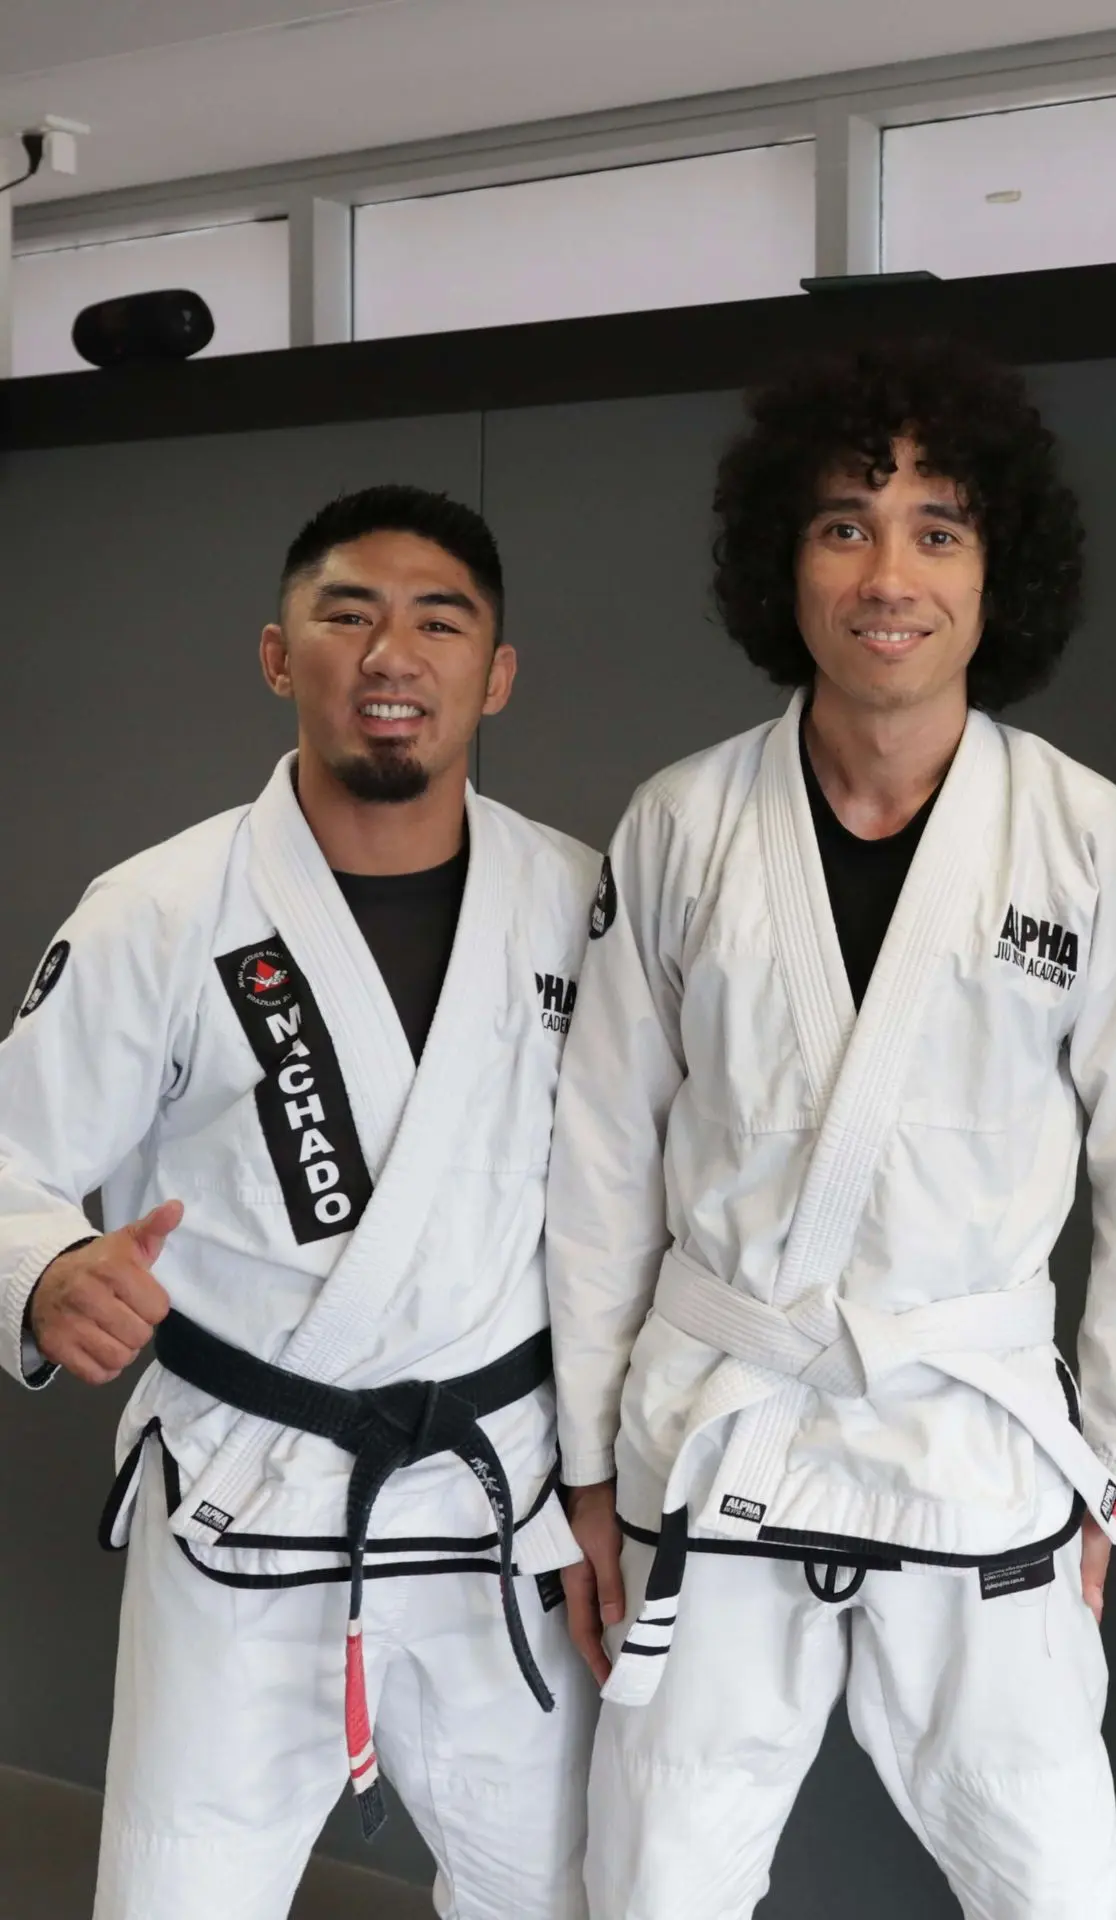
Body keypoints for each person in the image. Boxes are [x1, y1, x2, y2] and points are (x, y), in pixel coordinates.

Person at [547, 340, 1116, 1919]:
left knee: (1055, 1888)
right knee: (653, 1888)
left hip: (976, 1437)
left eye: (938, 528)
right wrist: (583, 1463)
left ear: (997, 571)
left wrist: (1113, 1471)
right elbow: (599, 1166)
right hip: (721, 1428)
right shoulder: (685, 822)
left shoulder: (1084, 834)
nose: (888, 572)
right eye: (845, 524)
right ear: (787, 561)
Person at [0, 486, 598, 1920]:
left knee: (567, 1896)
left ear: (495, 675)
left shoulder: (580, 902)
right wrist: (44, 1271)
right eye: (348, 616)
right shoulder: (158, 908)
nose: (391, 654)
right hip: (242, 1497)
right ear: (281, 657)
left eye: (438, 622)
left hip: (493, 1500)